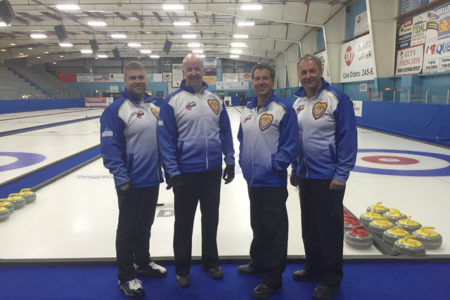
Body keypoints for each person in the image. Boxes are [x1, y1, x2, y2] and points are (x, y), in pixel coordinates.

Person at [158, 53, 235, 288]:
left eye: (197, 69)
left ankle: (210, 262)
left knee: (211, 220)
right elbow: (165, 141)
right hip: (185, 174)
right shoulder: (172, 101)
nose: (193, 73)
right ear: (183, 72)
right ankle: (182, 268)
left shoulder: (215, 100)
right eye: (189, 69)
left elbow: (225, 133)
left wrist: (229, 160)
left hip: (211, 172)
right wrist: (173, 171)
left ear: (204, 71)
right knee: (184, 223)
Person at [291, 54, 357, 300]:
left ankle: (331, 279)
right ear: (299, 75)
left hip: (329, 179)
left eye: (312, 71)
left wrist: (341, 174)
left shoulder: (337, 99)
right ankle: (313, 267)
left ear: (321, 71)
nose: (308, 76)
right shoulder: (296, 102)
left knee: (329, 230)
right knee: (309, 227)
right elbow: (295, 140)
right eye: (304, 72)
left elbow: (347, 138)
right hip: (305, 177)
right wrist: (295, 170)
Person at [100, 61, 167, 298]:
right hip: (130, 182)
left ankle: (143, 262)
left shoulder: (151, 106)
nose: (138, 81)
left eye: (141, 77)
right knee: (128, 230)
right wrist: (121, 177)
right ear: (125, 81)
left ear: (146, 79)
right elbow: (110, 147)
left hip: (151, 179)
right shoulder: (116, 110)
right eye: (133, 78)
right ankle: (126, 276)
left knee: (145, 226)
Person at [237, 63, 299, 299]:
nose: (261, 82)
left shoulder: (283, 108)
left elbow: (291, 143)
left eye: (265, 78)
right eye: (257, 78)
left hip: (272, 182)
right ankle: (258, 262)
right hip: (253, 181)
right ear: (252, 82)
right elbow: (242, 138)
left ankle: (273, 279)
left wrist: (276, 165)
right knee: (258, 225)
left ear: (272, 82)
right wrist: (244, 163)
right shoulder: (248, 109)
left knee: (275, 230)